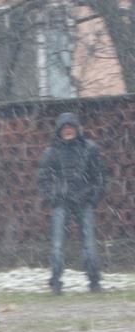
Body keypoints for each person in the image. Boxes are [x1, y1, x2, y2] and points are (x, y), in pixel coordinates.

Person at [38, 112, 106, 295]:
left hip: (84, 203)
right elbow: (44, 179)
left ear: (77, 128)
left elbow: (99, 176)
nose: (68, 130)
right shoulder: (51, 152)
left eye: (71, 127)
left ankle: (94, 283)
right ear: (59, 131)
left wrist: (92, 197)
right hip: (61, 203)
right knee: (58, 245)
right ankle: (56, 284)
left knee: (89, 244)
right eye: (65, 127)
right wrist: (53, 197)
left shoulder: (90, 149)